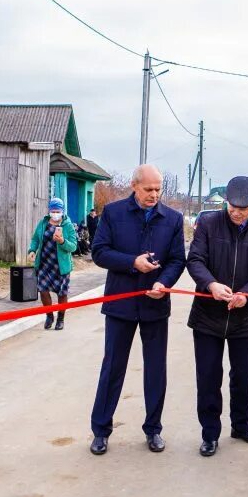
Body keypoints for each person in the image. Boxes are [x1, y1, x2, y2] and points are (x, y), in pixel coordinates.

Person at [89, 165, 186, 455]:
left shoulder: (173, 219)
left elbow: (178, 260)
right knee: (112, 368)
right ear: (134, 186)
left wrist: (164, 282)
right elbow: (99, 252)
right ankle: (101, 430)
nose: (153, 195)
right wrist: (133, 262)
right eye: (148, 189)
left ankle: (153, 429)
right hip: (120, 305)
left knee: (156, 369)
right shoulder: (114, 213)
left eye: (158, 190)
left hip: (155, 305)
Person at [186, 176, 248, 457]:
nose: (236, 212)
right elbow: (195, 260)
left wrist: (247, 294)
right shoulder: (209, 225)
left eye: (243, 207)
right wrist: (210, 284)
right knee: (209, 377)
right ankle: (210, 434)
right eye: (232, 206)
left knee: (243, 377)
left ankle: (241, 426)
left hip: (243, 318)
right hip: (207, 317)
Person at [27, 198, 78, 331]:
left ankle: (61, 318)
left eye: (58, 211)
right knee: (43, 291)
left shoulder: (68, 225)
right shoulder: (43, 223)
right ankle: (49, 315)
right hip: (44, 263)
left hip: (61, 266)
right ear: (49, 211)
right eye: (53, 211)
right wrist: (32, 250)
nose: (55, 213)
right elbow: (35, 239)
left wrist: (62, 241)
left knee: (61, 293)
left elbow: (73, 246)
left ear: (62, 211)